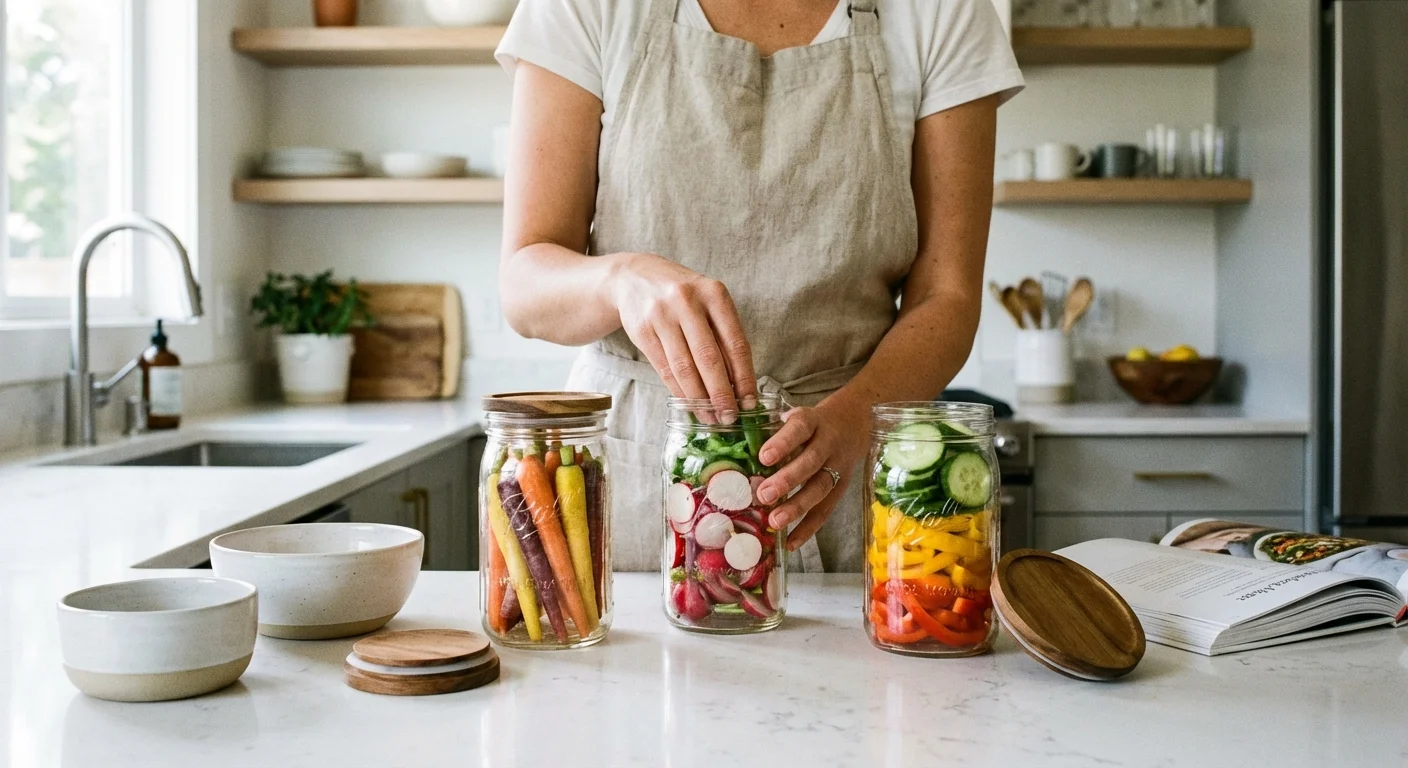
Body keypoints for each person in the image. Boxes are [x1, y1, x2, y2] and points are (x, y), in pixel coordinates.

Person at [495, 0, 1024, 572]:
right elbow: (525, 283)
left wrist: (853, 420)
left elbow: (946, 296)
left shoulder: (942, 11)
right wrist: (620, 280)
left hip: (837, 468)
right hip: (642, 468)